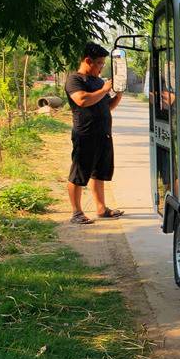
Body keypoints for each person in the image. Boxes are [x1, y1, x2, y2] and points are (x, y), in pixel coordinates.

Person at [66, 42, 124, 224]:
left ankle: (101, 208)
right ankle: (76, 212)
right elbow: (82, 100)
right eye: (99, 63)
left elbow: (108, 106)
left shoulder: (98, 82)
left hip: (103, 134)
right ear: (87, 61)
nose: (101, 67)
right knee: (79, 173)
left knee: (99, 173)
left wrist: (118, 95)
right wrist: (104, 90)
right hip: (85, 134)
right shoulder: (75, 80)